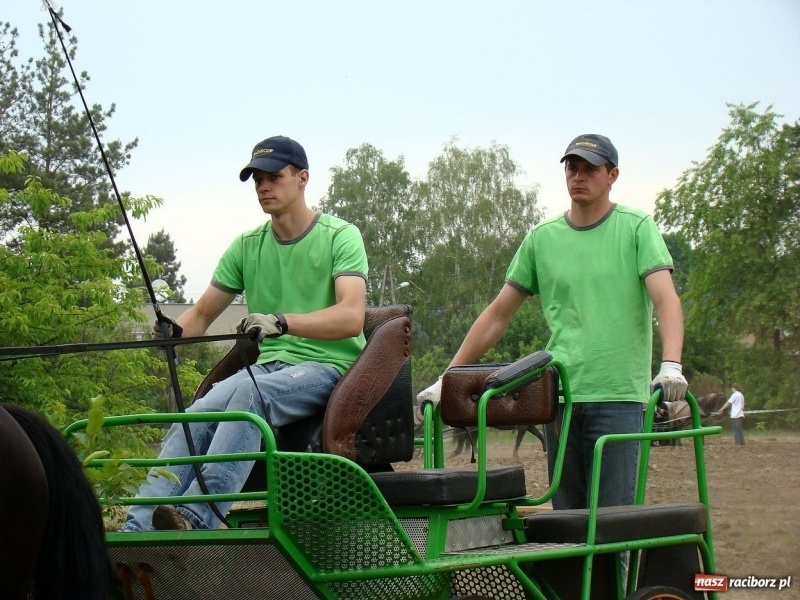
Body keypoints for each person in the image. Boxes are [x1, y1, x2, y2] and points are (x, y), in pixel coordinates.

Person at [418, 134, 687, 510]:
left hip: (618, 398)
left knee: (614, 523)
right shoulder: (541, 239)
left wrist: (671, 364)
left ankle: (612, 570)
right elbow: (498, 314)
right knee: (569, 523)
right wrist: (450, 376)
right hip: (559, 399)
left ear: (612, 175)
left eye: (591, 169)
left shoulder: (637, 228)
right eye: (572, 168)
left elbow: (665, 299)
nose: (579, 176)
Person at [123, 136, 368, 531]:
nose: (263, 187)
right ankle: (135, 533)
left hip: (328, 367)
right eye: (256, 179)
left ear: (303, 178)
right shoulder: (247, 245)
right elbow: (201, 315)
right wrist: (172, 330)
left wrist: (283, 321)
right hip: (270, 367)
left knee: (247, 395)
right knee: (194, 415)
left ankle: (195, 517)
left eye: (274, 177)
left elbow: (351, 317)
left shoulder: (340, 236)